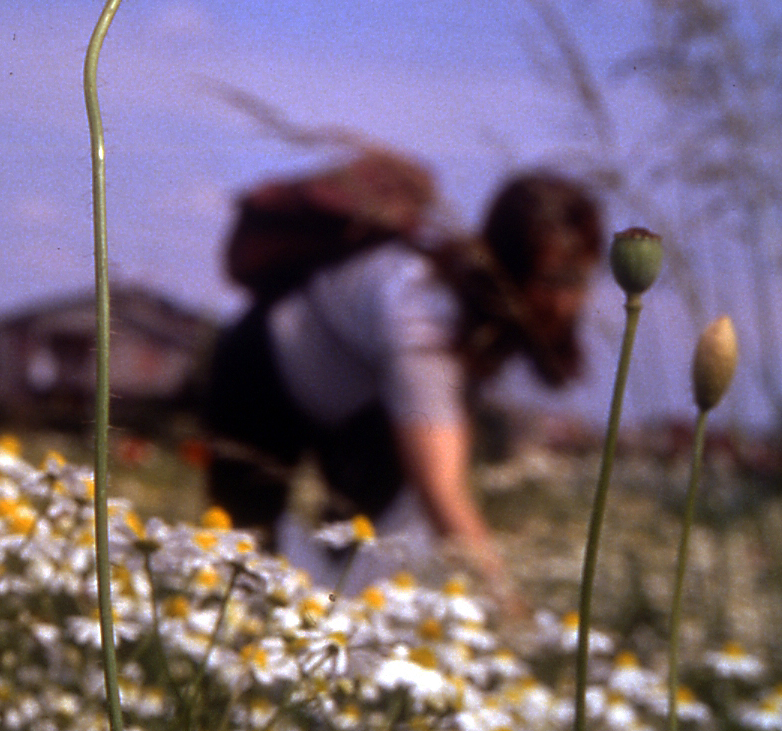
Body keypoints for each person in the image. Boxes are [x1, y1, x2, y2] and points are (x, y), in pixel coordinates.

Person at [203, 160, 603, 604]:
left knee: (371, 545)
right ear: (508, 267)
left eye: (579, 277)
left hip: (350, 415)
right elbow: (442, 491)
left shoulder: (469, 324)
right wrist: (509, 608)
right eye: (551, 280)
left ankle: (339, 630)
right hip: (256, 374)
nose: (566, 302)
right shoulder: (425, 319)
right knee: (242, 553)